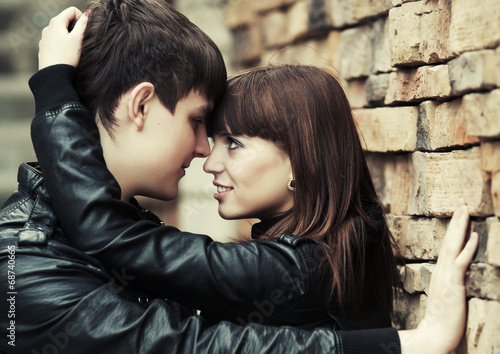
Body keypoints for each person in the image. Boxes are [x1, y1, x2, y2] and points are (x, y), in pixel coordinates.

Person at [26, 4, 477, 354]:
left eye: (233, 143)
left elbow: (124, 248)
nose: (207, 156)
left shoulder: (307, 264)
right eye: (203, 127)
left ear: (301, 162)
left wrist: (54, 90)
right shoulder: (29, 258)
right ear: (140, 106)